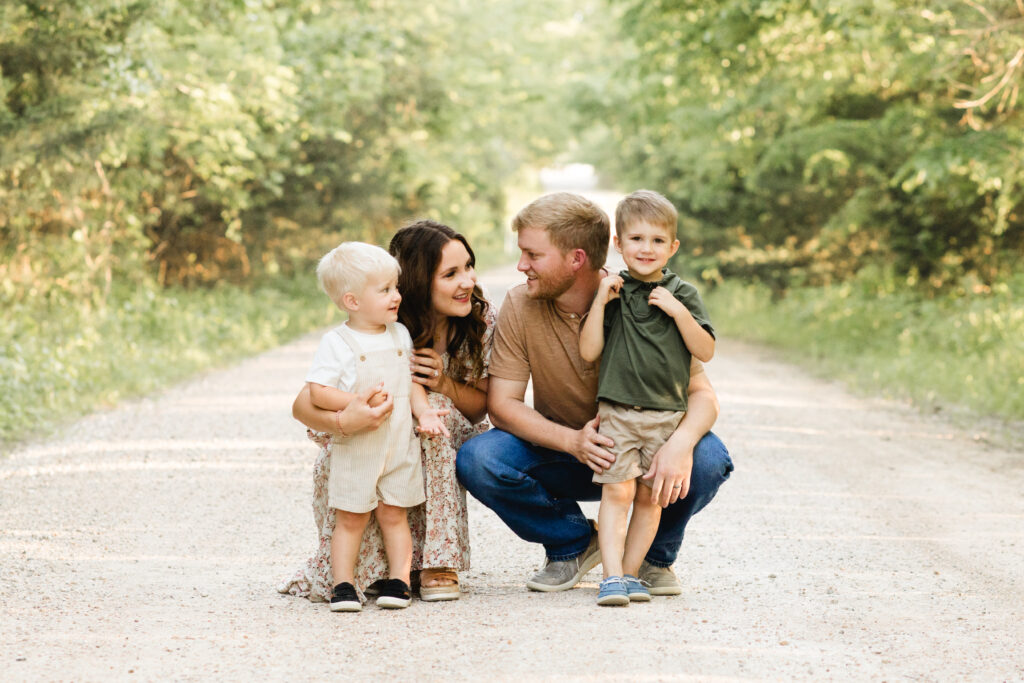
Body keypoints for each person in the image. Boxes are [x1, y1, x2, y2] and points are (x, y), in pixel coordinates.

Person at [456, 192, 733, 598]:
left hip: (644, 450)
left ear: (577, 259)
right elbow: (503, 405)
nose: (521, 266)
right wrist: (573, 441)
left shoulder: (649, 300)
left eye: (533, 255)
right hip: (563, 453)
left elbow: (702, 395)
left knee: (709, 458)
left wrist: (679, 445)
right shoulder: (520, 303)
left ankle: (651, 559)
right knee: (479, 458)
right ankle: (572, 542)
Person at [279, 220, 494, 605]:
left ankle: (438, 561)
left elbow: (482, 409)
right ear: (417, 281)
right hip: (378, 430)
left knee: (435, 412)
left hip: (437, 431)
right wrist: (346, 421)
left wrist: (442, 384)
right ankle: (370, 569)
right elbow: (304, 404)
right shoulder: (384, 321)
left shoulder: (479, 319)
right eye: (450, 274)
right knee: (346, 455)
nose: (468, 281)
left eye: (469, 266)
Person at [578, 190, 715, 606]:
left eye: (657, 241)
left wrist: (677, 311)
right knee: (617, 492)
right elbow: (589, 351)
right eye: (636, 239)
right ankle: (612, 576)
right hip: (618, 411)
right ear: (618, 244)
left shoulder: (684, 294)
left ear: (672, 247)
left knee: (648, 496)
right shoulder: (613, 291)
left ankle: (633, 574)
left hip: (666, 415)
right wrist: (601, 300)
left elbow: (705, 350)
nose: (646, 249)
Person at [302, 241, 451, 612]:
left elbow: (411, 382)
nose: (396, 296)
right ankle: (343, 585)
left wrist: (425, 412)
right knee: (351, 518)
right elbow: (318, 391)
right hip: (359, 447)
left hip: (399, 444)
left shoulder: (399, 334)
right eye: (384, 290)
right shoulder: (338, 342)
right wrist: (352, 404)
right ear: (352, 302)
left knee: (394, 512)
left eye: (395, 287)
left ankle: (399, 581)